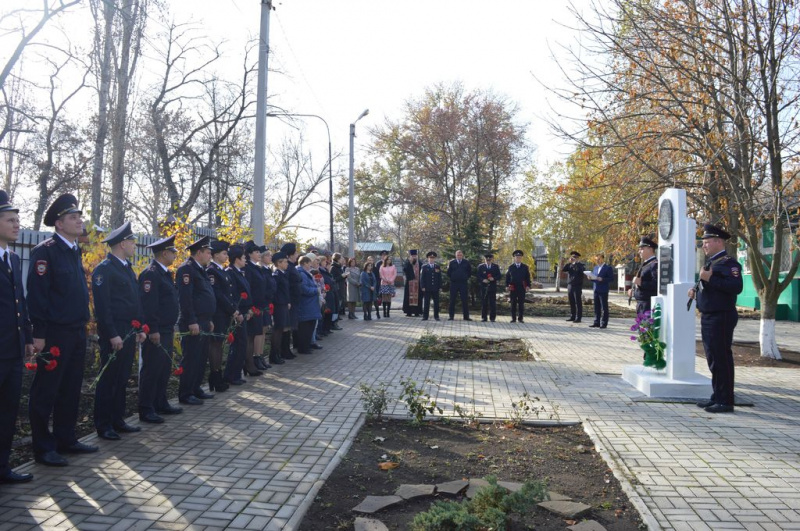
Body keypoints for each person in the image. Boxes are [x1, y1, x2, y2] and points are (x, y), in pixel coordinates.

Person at [27, 193, 96, 466]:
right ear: (59, 223)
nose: (79, 221)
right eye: (73, 217)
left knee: (71, 388)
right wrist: (39, 333)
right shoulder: (45, 252)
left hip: (76, 331)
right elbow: (38, 296)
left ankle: (66, 439)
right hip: (55, 333)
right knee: (46, 391)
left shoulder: (74, 250)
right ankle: (43, 448)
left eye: (79, 216)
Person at [91, 222, 147, 441]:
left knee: (122, 376)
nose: (135, 246)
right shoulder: (104, 270)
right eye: (132, 242)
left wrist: (139, 327)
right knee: (109, 378)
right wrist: (112, 334)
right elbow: (103, 307)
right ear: (123, 244)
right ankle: (104, 424)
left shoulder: (126, 268)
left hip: (129, 329)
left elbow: (135, 301)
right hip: (114, 331)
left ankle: (117, 419)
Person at [688, 223, 743, 414]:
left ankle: (725, 400)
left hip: (721, 316)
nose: (704, 245)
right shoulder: (712, 262)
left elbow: (736, 287)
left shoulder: (729, 263)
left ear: (719, 242)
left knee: (721, 358)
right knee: (713, 358)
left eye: (707, 242)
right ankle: (717, 395)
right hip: (710, 315)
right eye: (703, 242)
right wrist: (696, 291)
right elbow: (710, 287)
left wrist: (710, 278)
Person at [0, 191, 34, 483]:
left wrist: (28, 338)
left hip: (12, 351)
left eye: (17, 220)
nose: (16, 225)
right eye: (10, 220)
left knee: (8, 412)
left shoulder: (11, 257)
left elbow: (19, 302)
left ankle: (2, 468)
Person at [138, 235, 182, 425]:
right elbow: (149, 305)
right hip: (156, 330)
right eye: (173, 252)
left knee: (163, 368)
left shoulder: (165, 273)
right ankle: (146, 408)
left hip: (166, 329)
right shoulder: (151, 274)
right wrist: (153, 329)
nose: (175, 255)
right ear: (164, 253)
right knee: (152, 369)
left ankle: (160, 402)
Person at [176, 236, 216, 405]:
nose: (210, 256)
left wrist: (209, 319)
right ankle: (186, 392)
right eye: (208, 253)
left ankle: (196, 388)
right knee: (191, 357)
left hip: (204, 320)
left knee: (201, 357)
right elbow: (186, 299)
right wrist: (192, 321)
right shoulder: (187, 269)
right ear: (199, 252)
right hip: (193, 321)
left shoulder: (200, 269)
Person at [207, 240, 236, 391]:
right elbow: (218, 294)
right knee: (216, 344)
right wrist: (231, 309)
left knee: (219, 344)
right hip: (218, 313)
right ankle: (215, 376)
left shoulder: (221, 270)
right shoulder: (212, 271)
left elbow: (228, 293)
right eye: (224, 253)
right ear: (216, 255)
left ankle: (217, 374)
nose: (226, 256)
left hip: (224, 313)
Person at [224, 244, 253, 384]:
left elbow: (246, 291)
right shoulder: (230, 272)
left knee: (242, 343)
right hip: (237, 313)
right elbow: (233, 295)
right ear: (236, 259)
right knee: (238, 344)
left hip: (244, 311)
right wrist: (238, 312)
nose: (245, 260)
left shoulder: (239, 272)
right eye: (243, 257)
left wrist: (249, 309)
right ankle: (231, 375)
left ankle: (236, 374)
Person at [244, 241, 267, 376]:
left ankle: (252, 362)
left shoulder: (256, 267)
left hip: (259, 305)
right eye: (256, 252)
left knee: (254, 335)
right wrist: (251, 306)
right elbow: (249, 288)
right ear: (249, 254)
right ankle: (249, 364)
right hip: (253, 306)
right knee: (250, 336)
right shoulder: (248, 268)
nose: (259, 254)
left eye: (259, 252)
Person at [296, 255, 322, 354]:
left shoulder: (306, 273)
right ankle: (303, 347)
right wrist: (316, 290)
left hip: (310, 305)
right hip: (306, 305)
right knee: (305, 328)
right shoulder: (302, 274)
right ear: (304, 263)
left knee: (310, 326)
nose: (310, 266)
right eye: (309, 264)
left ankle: (307, 346)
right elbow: (304, 289)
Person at [280, 242, 301, 360]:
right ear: (290, 255)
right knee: (287, 325)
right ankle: (284, 350)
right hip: (290, 300)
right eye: (295, 253)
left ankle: (287, 349)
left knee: (290, 325)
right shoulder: (288, 267)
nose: (297, 255)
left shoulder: (291, 266)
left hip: (294, 300)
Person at [629, 237, 659, 316]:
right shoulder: (645, 264)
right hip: (641, 304)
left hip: (648, 304)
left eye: (641, 249)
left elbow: (656, 284)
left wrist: (641, 283)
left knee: (646, 324)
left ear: (650, 249)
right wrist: (634, 290)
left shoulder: (654, 264)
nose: (639, 251)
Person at [270, 252, 291, 364]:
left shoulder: (283, 274)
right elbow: (275, 291)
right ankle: (274, 354)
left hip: (284, 304)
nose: (287, 264)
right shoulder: (276, 275)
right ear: (279, 263)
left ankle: (278, 353)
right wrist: (282, 301)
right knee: (277, 329)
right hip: (279, 305)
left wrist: (287, 301)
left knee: (282, 329)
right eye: (285, 262)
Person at [589, 253, 614, 329]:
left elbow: (611, 279)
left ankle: (604, 323)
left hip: (603, 290)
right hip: (596, 289)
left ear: (603, 258)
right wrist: (591, 278)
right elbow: (595, 278)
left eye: (599, 259)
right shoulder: (595, 268)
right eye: (596, 259)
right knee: (596, 307)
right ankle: (596, 322)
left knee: (604, 307)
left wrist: (603, 279)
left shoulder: (608, 268)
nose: (597, 261)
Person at [505, 250, 531, 323]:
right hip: (513, 287)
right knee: (513, 303)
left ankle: (520, 318)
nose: (518, 259)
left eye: (519, 257)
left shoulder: (525, 267)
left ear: (521, 258)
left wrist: (528, 286)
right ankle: (513, 318)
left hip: (521, 287)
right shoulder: (511, 267)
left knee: (521, 303)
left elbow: (527, 277)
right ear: (514, 258)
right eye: (517, 257)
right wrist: (507, 285)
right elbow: (507, 277)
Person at [447, 250, 472, 321]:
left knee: (465, 300)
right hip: (454, 283)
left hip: (463, 283)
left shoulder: (466, 262)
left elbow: (469, 272)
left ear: (462, 255)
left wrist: (465, 277)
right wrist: (453, 277)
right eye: (458, 255)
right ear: (455, 255)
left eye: (460, 255)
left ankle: (466, 317)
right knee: (452, 300)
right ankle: (451, 316)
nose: (459, 256)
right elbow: (448, 272)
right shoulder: (452, 262)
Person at [477, 253, 501, 322]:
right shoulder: (481, 266)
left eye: (489, 260)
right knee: (484, 302)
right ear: (485, 260)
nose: (488, 261)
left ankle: (492, 318)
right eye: (487, 260)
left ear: (491, 260)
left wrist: (494, 278)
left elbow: (499, 275)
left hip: (492, 286)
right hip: (484, 287)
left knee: (492, 302)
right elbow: (478, 276)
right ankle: (484, 317)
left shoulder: (495, 266)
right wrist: (483, 280)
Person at [562, 251, 585, 323]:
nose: (573, 258)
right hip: (570, 285)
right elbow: (564, 269)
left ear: (578, 258)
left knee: (578, 302)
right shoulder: (570, 265)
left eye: (575, 257)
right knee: (571, 301)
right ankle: (572, 316)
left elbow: (581, 271)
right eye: (572, 257)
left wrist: (576, 263)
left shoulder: (581, 265)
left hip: (577, 286)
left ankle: (579, 318)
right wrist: (569, 262)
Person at [420, 251, 442, 321]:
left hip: (435, 288)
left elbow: (439, 277)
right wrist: (422, 286)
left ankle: (436, 316)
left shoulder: (437, 267)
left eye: (433, 258)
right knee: (426, 303)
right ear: (428, 259)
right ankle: (425, 316)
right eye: (430, 258)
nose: (431, 259)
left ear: (434, 259)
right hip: (427, 288)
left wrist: (440, 287)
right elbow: (422, 278)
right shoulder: (424, 267)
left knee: (436, 303)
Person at [402, 250, 423, 317]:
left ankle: (417, 312)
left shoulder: (420, 263)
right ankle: (409, 312)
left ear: (417, 256)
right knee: (409, 297)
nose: (414, 257)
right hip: (409, 283)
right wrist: (410, 263)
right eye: (413, 256)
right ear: (410, 256)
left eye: (415, 256)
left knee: (418, 297)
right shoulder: (407, 262)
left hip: (418, 283)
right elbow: (404, 270)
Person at [331, 253, 347, 321]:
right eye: (341, 258)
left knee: (339, 303)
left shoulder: (339, 267)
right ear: (337, 259)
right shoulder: (333, 267)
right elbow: (333, 279)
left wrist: (345, 276)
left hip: (341, 288)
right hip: (337, 288)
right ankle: (334, 319)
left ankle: (337, 316)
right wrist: (342, 276)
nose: (342, 260)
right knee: (337, 304)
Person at [373, 251, 388, 319]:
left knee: (386, 298)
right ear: (381, 256)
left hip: (387, 282)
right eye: (383, 255)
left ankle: (386, 312)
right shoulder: (378, 263)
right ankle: (378, 312)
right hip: (379, 282)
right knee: (378, 298)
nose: (384, 256)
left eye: (385, 255)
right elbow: (376, 274)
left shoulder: (389, 263)